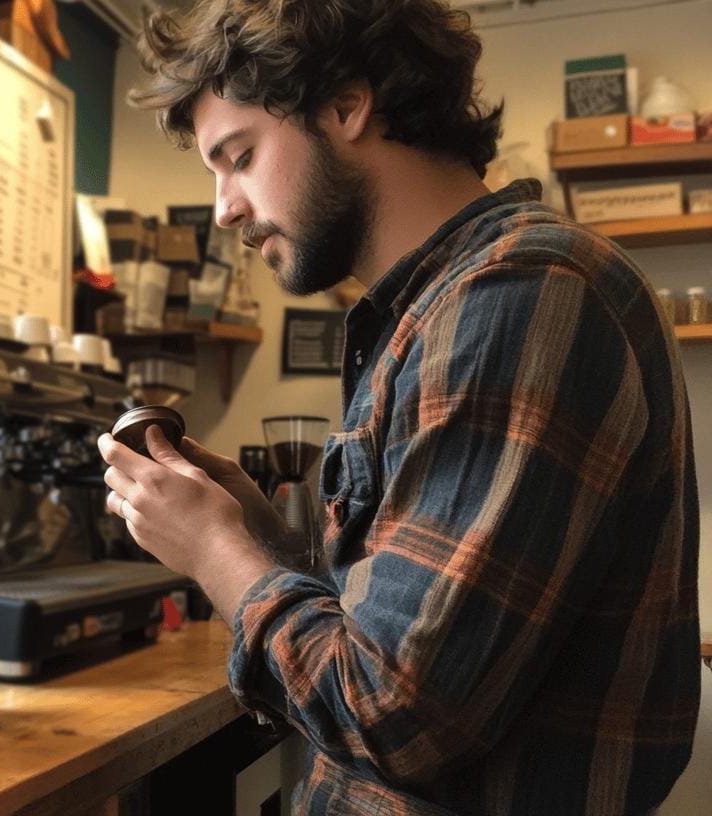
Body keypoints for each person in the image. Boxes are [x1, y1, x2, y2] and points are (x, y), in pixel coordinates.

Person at [96, 1, 700, 813]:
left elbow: (395, 717)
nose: (225, 208)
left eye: (238, 157)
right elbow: (391, 635)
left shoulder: (520, 296)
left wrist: (213, 551)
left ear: (347, 104)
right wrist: (261, 537)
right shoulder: (438, 312)